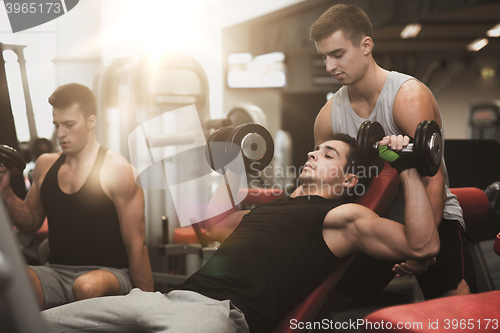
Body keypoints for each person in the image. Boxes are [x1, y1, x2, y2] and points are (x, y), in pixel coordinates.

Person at [41, 133, 439, 333]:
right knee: (31, 322)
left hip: (218, 314)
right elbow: (211, 226)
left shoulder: (342, 215)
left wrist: (404, 164)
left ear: (351, 177)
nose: (313, 153)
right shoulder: (276, 206)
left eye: (328, 153)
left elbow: (422, 243)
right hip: (162, 298)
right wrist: (225, 159)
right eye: (315, 149)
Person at [309, 4, 475, 299]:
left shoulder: (407, 97)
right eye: (324, 57)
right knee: (319, 299)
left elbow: (432, 179)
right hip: (372, 225)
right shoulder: (328, 115)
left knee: (455, 307)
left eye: (337, 54)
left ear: (365, 45)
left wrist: (425, 244)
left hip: (434, 219)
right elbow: (323, 189)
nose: (329, 66)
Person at [0, 83, 153, 309]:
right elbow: (30, 224)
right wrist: (5, 191)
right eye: (57, 125)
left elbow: (136, 245)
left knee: (86, 286)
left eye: (69, 125)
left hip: (111, 274)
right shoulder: (45, 165)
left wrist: (149, 306)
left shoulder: (118, 169)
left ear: (91, 121)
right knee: (16, 282)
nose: (60, 134)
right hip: (57, 272)